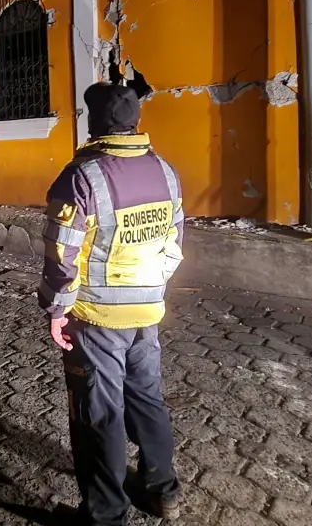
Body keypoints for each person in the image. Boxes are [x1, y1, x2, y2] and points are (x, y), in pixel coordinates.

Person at [38, 82, 186, 525]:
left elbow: (62, 252)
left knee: (98, 415)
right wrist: (150, 289)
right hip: (147, 310)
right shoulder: (166, 170)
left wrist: (57, 309)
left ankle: (105, 515)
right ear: (135, 121)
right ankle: (164, 492)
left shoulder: (81, 176)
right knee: (147, 399)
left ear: (94, 122)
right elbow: (174, 242)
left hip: (97, 317)